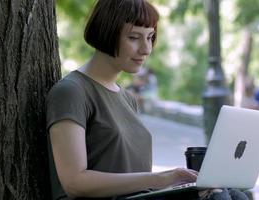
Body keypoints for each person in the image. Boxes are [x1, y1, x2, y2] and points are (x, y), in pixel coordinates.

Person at [46, 0, 248, 199]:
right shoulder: (71, 92)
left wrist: (178, 184)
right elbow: (74, 183)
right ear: (105, 33)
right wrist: (160, 179)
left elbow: (137, 185)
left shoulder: (127, 98)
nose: (146, 49)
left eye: (150, 37)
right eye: (134, 37)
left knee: (230, 193)